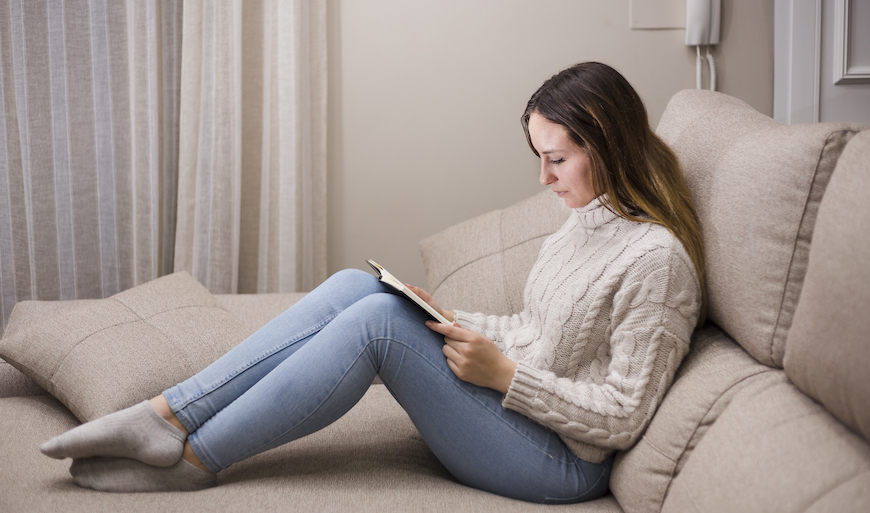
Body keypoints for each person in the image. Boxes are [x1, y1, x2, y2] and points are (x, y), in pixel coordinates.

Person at [39, 62, 705, 504]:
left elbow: (623, 415)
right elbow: (542, 326)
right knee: (365, 289)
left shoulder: (657, 262)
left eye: (556, 159)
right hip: (520, 409)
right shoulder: (591, 217)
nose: (544, 179)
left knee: (376, 325)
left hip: (561, 460)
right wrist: (453, 319)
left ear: (608, 145)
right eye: (540, 158)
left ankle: (195, 461)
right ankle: (168, 414)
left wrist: (505, 375)